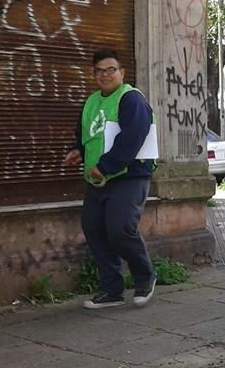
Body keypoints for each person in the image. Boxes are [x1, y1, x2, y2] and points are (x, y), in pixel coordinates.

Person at [63, 49, 159, 308]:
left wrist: (105, 166)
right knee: (94, 229)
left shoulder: (131, 99)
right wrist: (78, 151)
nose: (105, 75)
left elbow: (133, 137)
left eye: (111, 70)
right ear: (93, 74)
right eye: (99, 71)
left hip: (129, 176)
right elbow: (87, 135)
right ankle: (112, 290)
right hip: (98, 178)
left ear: (122, 73)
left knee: (120, 229)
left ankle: (145, 276)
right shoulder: (92, 102)